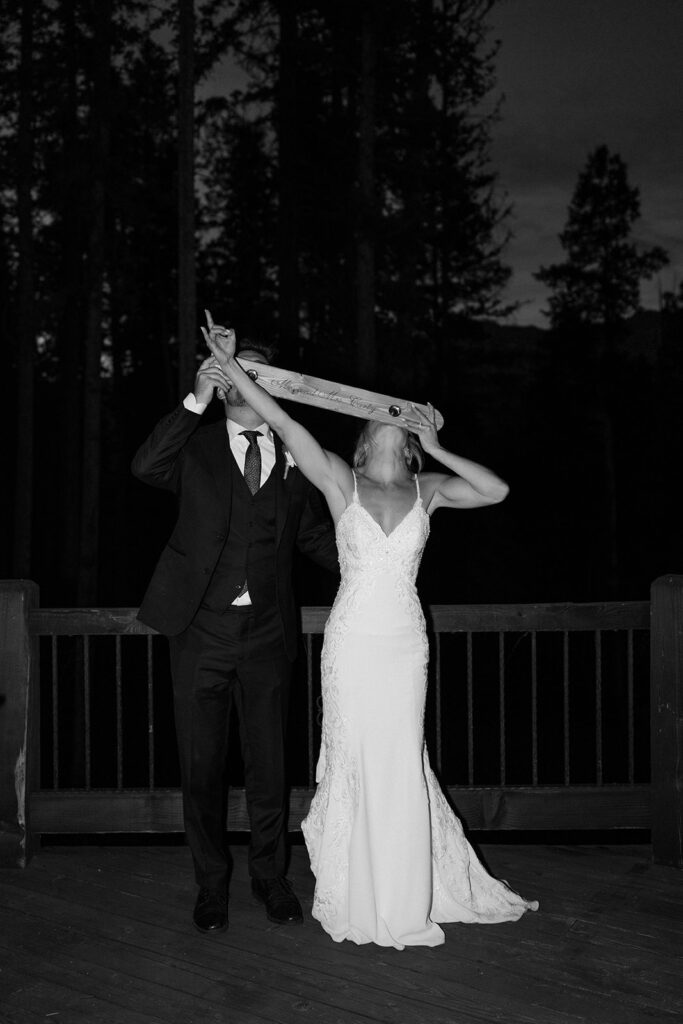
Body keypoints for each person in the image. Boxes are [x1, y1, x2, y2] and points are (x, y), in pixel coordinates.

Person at [204, 315, 538, 950]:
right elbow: (287, 425)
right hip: (353, 640)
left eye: (399, 415)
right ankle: (361, 889)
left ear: (408, 439)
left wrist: (437, 445)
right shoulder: (337, 477)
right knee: (358, 760)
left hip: (405, 644)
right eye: (381, 413)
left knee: (400, 760)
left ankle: (408, 893)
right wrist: (239, 370)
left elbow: (496, 491)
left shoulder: (429, 486)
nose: (390, 417)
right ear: (363, 436)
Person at [131, 336, 338, 935]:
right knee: (201, 767)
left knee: (270, 763)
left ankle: (271, 878)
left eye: (258, 374)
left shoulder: (297, 457)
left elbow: (313, 538)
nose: (246, 382)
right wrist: (195, 397)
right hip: (199, 630)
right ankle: (210, 885)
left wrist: (374, 557)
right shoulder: (193, 445)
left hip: (269, 633)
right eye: (235, 373)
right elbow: (145, 467)